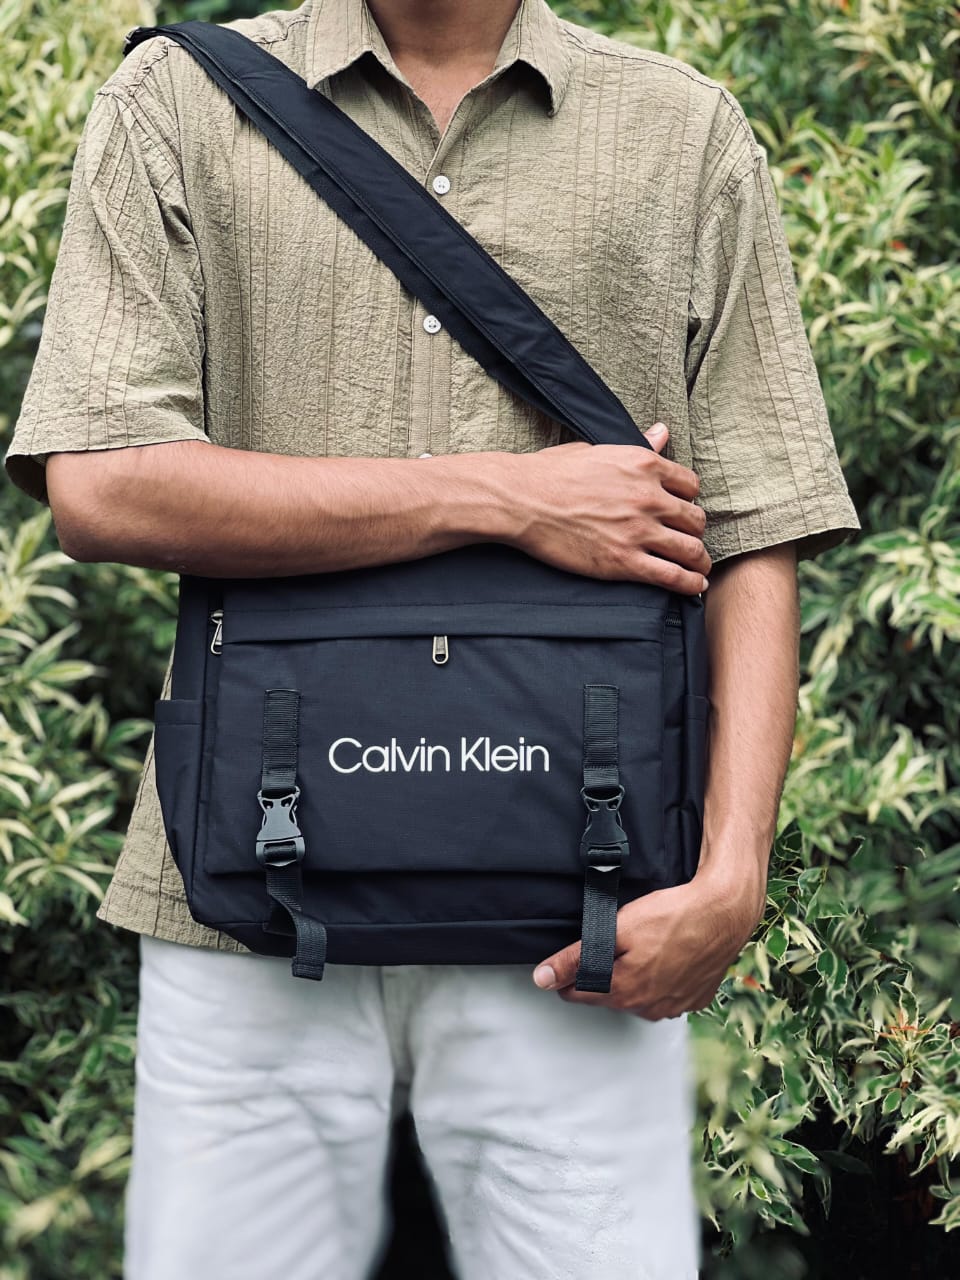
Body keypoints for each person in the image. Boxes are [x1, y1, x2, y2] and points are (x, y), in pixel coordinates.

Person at [4, 1, 860, 1276]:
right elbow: (102, 485)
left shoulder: (682, 132)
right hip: (245, 904)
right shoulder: (178, 103)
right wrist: (507, 496)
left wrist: (734, 876)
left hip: (582, 918)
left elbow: (754, 529)